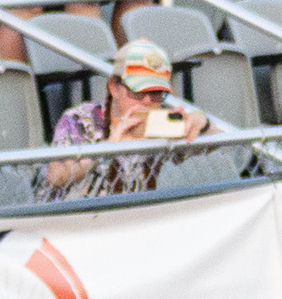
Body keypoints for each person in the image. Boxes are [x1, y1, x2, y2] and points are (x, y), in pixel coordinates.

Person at [41, 39, 207, 196]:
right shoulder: (81, 120)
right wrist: (109, 148)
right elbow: (56, 176)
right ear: (114, 87)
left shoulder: (163, 123)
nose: (148, 101)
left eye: (156, 93)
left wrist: (201, 122)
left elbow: (218, 142)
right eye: (137, 92)